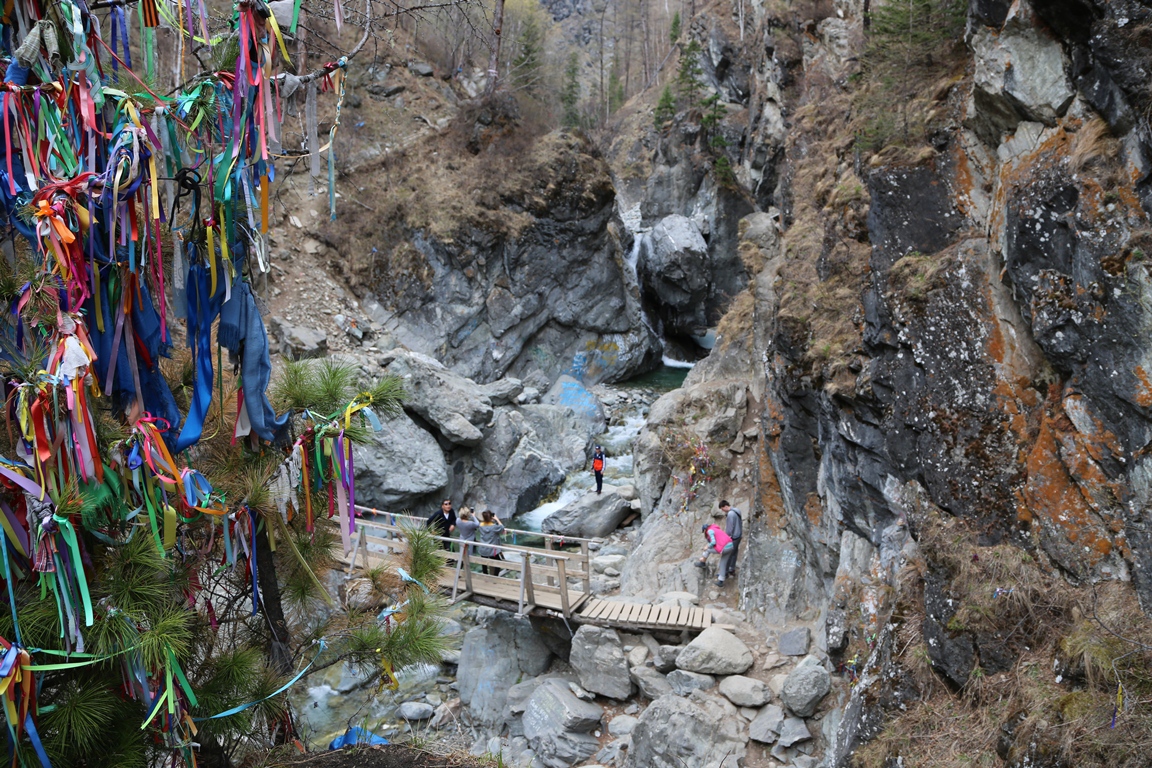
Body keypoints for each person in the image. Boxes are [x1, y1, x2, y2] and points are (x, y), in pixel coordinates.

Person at [694, 522, 734, 587]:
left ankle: (702, 562)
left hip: (725, 547)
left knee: (707, 549)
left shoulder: (709, 531)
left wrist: (707, 546)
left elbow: (713, 542)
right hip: (731, 546)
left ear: (704, 530)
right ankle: (721, 581)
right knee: (723, 563)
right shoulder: (715, 528)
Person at [476, 510, 506, 575]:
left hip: (483, 549)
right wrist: (497, 519)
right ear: (491, 517)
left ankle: (485, 576)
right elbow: (502, 528)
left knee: (484, 564)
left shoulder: (481, 525)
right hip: (492, 551)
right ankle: (494, 577)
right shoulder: (494, 527)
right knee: (498, 563)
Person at [720, 500, 742, 580]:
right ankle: (731, 569)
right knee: (734, 553)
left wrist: (726, 538)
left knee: (728, 554)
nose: (723, 511)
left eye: (722, 509)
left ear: (725, 506)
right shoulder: (737, 510)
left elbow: (729, 529)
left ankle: (724, 573)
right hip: (739, 536)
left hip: (733, 537)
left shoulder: (730, 514)